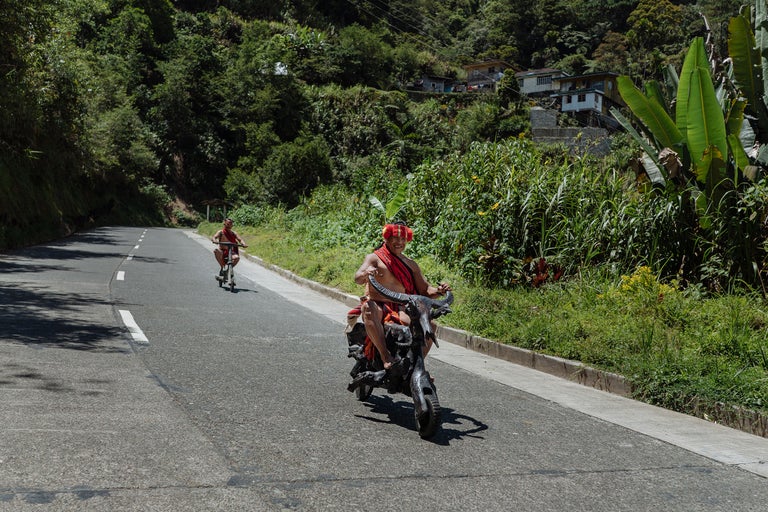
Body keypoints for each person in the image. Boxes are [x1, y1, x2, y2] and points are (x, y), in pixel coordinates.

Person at [353, 221, 451, 370]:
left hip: (402, 306)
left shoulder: (411, 264)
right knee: (368, 307)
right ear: (387, 238)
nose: (399, 242)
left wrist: (439, 291)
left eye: (403, 239)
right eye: (395, 238)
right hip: (379, 305)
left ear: (407, 241)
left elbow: (425, 291)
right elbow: (358, 278)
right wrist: (366, 274)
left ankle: (416, 367)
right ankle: (386, 356)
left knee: (430, 325)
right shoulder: (374, 258)